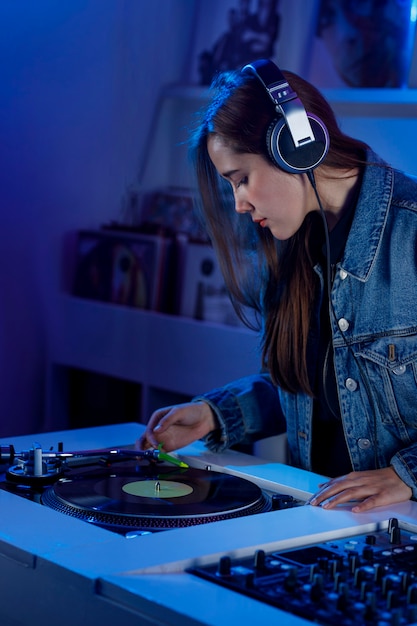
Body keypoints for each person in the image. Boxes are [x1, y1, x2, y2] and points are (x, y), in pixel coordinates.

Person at [138, 58, 417, 514]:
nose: (239, 204)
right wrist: (216, 414)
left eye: (241, 179)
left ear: (296, 146)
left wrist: (405, 475)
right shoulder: (291, 247)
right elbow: (309, 384)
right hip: (317, 520)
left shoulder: (412, 231)